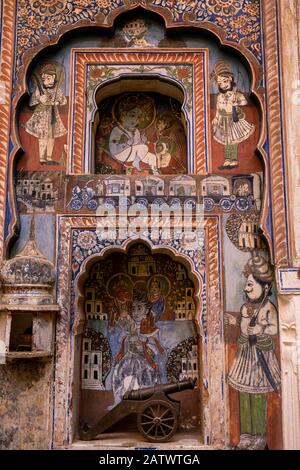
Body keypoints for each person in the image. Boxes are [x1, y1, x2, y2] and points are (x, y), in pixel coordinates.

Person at [226, 255, 281, 450]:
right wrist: (242, 325)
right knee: (244, 393)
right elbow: (242, 328)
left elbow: (274, 329)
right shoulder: (245, 308)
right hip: (246, 355)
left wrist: (259, 329)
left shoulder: (268, 307)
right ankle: (246, 434)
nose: (246, 289)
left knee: (258, 395)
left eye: (250, 285)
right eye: (246, 285)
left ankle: (259, 435)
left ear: (265, 288)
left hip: (261, 356)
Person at [211, 61, 255, 169]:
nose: (223, 84)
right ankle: (227, 159)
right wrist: (216, 119)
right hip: (223, 120)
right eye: (220, 83)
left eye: (225, 81)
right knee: (226, 141)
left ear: (230, 80)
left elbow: (244, 101)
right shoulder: (220, 97)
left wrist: (237, 102)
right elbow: (218, 108)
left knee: (233, 141)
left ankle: (234, 159)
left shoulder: (236, 94)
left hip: (233, 119)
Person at [24, 63, 67, 164]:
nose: (46, 80)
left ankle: (49, 157)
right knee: (43, 136)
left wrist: (58, 102)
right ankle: (42, 158)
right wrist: (40, 100)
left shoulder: (57, 90)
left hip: (53, 116)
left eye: (48, 78)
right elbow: (31, 103)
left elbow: (64, 101)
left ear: (53, 77)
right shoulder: (39, 90)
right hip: (42, 116)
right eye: (44, 79)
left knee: (51, 137)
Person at [109, 94, 158, 174]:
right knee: (143, 148)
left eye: (138, 117)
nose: (135, 120)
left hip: (134, 154)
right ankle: (135, 163)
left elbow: (138, 146)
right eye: (132, 115)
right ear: (123, 115)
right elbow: (113, 149)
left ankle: (155, 172)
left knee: (152, 157)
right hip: (120, 154)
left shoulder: (136, 132)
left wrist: (143, 141)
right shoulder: (118, 130)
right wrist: (128, 143)